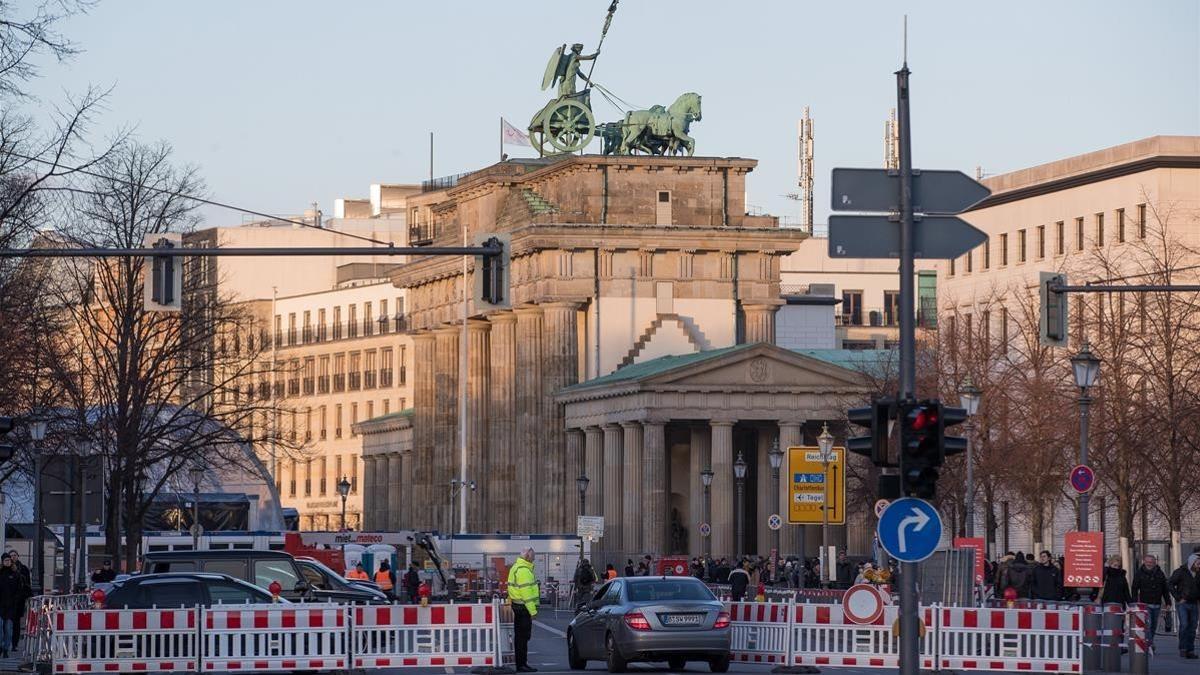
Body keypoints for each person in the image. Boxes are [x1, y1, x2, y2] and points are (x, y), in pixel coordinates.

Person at [507, 548, 540, 673]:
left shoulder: (516, 567)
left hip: (517, 605)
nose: (534, 557)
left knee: (520, 637)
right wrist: (533, 611)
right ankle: (522, 664)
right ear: (527, 556)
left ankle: (520, 663)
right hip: (523, 607)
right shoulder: (524, 571)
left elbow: (511, 588)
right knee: (523, 637)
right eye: (533, 555)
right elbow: (526, 593)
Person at [1131, 554, 1171, 651]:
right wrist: (1135, 602)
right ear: (1144, 562)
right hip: (1145, 604)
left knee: (1153, 626)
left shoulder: (1160, 573)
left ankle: (1149, 642)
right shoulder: (1139, 573)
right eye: (1148, 562)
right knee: (1148, 625)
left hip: (1157, 603)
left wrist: (1168, 602)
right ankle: (1149, 644)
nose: (1150, 564)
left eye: (1152, 562)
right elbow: (1134, 588)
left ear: (1155, 562)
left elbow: (1165, 589)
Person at [1168, 553, 1200, 659]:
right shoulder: (1181, 572)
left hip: (1194, 603)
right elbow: (1170, 583)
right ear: (1192, 562)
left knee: (1193, 627)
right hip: (1183, 603)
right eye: (1198, 563)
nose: (1199, 565)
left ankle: (1190, 650)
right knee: (1184, 625)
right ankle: (1183, 648)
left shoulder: (1199, 573)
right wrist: (1177, 597)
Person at [0, 554, 22, 658]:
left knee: (8, 629)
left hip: (10, 606)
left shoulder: (15, 574)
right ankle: (1, 646)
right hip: (0, 606)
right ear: (2, 561)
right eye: (6, 560)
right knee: (0, 627)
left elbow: (19, 590)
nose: (7, 562)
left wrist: (15, 601)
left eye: (9, 560)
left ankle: (5, 648)